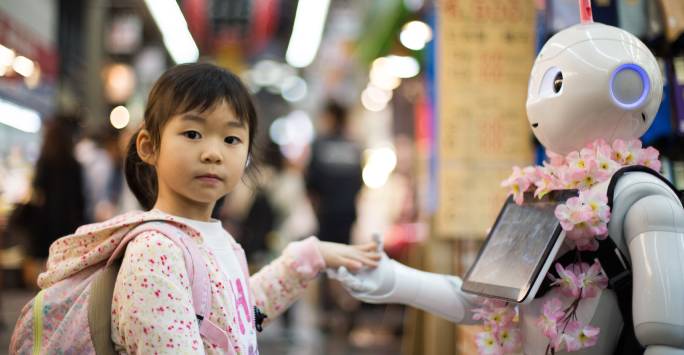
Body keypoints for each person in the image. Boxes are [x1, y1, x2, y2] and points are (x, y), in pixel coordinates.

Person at [332, 6, 684, 355]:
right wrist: (394, 280)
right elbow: (484, 301)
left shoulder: (642, 199)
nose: (537, 100)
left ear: (628, 85)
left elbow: (667, 334)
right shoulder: (544, 193)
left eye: (554, 82)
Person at [33, 63, 380, 354]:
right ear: (148, 147)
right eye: (193, 133)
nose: (213, 152)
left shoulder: (217, 240)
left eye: (231, 139)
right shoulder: (156, 253)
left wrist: (310, 257)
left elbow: (238, 318)